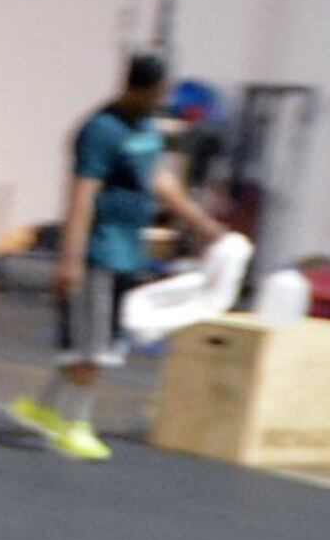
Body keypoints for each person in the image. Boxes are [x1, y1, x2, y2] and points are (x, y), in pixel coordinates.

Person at [14, 49, 228, 460]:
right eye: (158, 93)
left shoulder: (147, 127)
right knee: (93, 349)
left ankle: (43, 408)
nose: (162, 101)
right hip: (98, 252)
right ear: (138, 88)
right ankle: (75, 425)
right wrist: (71, 260)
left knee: (102, 342)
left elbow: (160, 180)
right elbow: (82, 197)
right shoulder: (100, 130)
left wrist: (203, 225)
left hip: (129, 252)